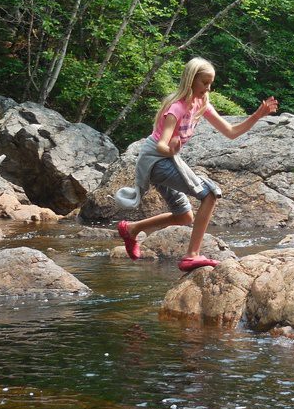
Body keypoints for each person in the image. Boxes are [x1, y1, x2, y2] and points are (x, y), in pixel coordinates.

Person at [115, 57, 279, 272]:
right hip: (156, 160)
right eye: (204, 83)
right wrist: (172, 149)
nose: (208, 88)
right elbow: (162, 145)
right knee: (210, 193)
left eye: (211, 83)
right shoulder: (177, 108)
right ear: (191, 80)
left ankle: (132, 229)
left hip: (169, 158)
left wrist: (258, 115)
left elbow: (230, 132)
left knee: (184, 216)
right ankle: (191, 255)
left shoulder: (201, 104)